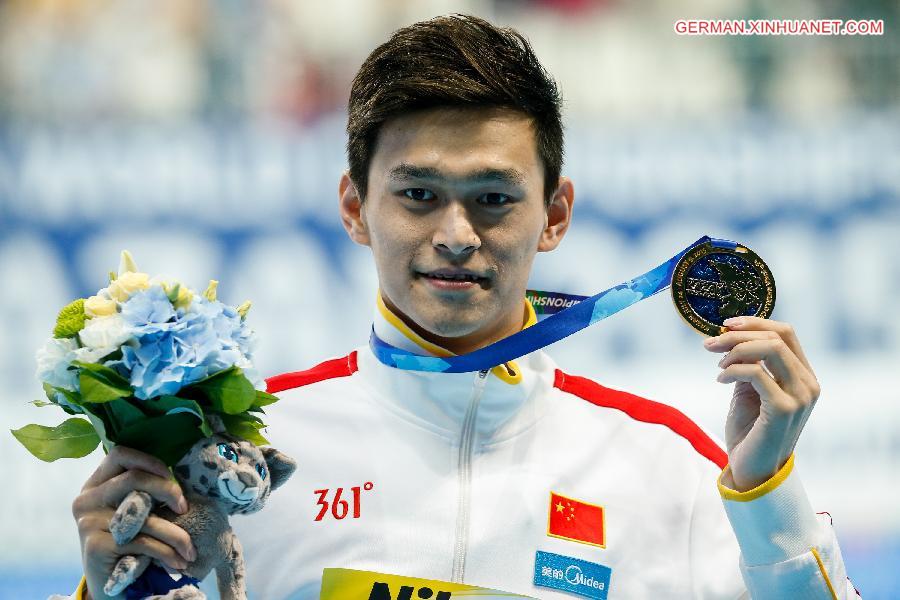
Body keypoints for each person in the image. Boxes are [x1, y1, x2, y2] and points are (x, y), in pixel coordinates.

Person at [66, 14, 858, 599]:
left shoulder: (668, 468)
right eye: (417, 194)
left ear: (554, 215)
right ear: (353, 205)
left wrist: (766, 499)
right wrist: (107, 589)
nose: (454, 235)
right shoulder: (235, 462)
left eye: (491, 197)